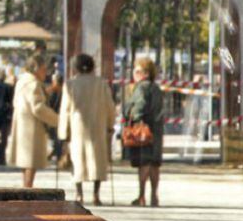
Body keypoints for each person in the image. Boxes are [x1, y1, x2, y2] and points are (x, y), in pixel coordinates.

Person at [59, 54, 114, 205]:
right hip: (98, 126)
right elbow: (110, 107)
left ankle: (79, 194)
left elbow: (65, 109)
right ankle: (96, 194)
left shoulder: (70, 84)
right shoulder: (101, 84)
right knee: (98, 160)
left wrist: (63, 132)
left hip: (77, 128)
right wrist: (110, 125)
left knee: (78, 160)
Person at [9, 55, 60, 188]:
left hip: (22, 124)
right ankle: (28, 187)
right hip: (31, 127)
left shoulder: (22, 81)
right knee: (30, 161)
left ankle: (26, 186)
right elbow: (38, 107)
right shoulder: (33, 84)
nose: (45, 72)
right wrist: (57, 120)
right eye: (43, 69)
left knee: (25, 161)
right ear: (36, 69)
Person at [123, 57, 164, 207]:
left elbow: (139, 106)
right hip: (156, 129)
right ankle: (154, 196)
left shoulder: (141, 87)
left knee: (144, 163)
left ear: (144, 72)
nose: (134, 73)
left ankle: (141, 196)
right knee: (154, 164)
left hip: (143, 130)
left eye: (136, 70)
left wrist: (132, 116)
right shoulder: (156, 88)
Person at [46, 72, 64, 162]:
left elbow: (48, 104)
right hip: (59, 116)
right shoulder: (64, 90)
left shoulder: (50, 91)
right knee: (57, 137)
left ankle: (56, 152)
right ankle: (57, 152)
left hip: (53, 116)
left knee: (55, 136)